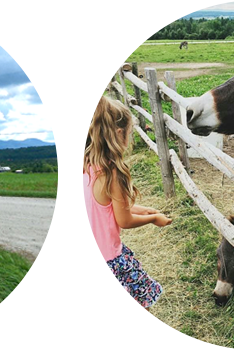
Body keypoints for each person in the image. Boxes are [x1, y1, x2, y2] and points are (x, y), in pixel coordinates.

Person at [82, 95, 173, 350]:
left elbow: (106, 209)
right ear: (119, 133)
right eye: (130, 133)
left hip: (84, 266)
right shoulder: (111, 172)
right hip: (109, 261)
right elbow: (123, 218)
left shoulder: (81, 166)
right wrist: (153, 219)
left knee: (102, 312)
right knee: (143, 294)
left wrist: (146, 210)